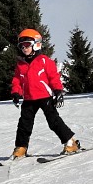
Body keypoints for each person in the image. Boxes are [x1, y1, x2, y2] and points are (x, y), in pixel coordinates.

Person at [10, 28, 80, 158]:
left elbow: (54, 77)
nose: (24, 49)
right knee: (24, 124)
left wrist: (58, 91)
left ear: (36, 44)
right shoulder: (20, 64)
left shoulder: (44, 61)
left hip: (45, 96)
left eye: (27, 45)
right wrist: (15, 93)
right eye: (22, 46)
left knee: (53, 121)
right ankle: (21, 147)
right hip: (29, 98)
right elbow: (17, 80)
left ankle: (71, 142)